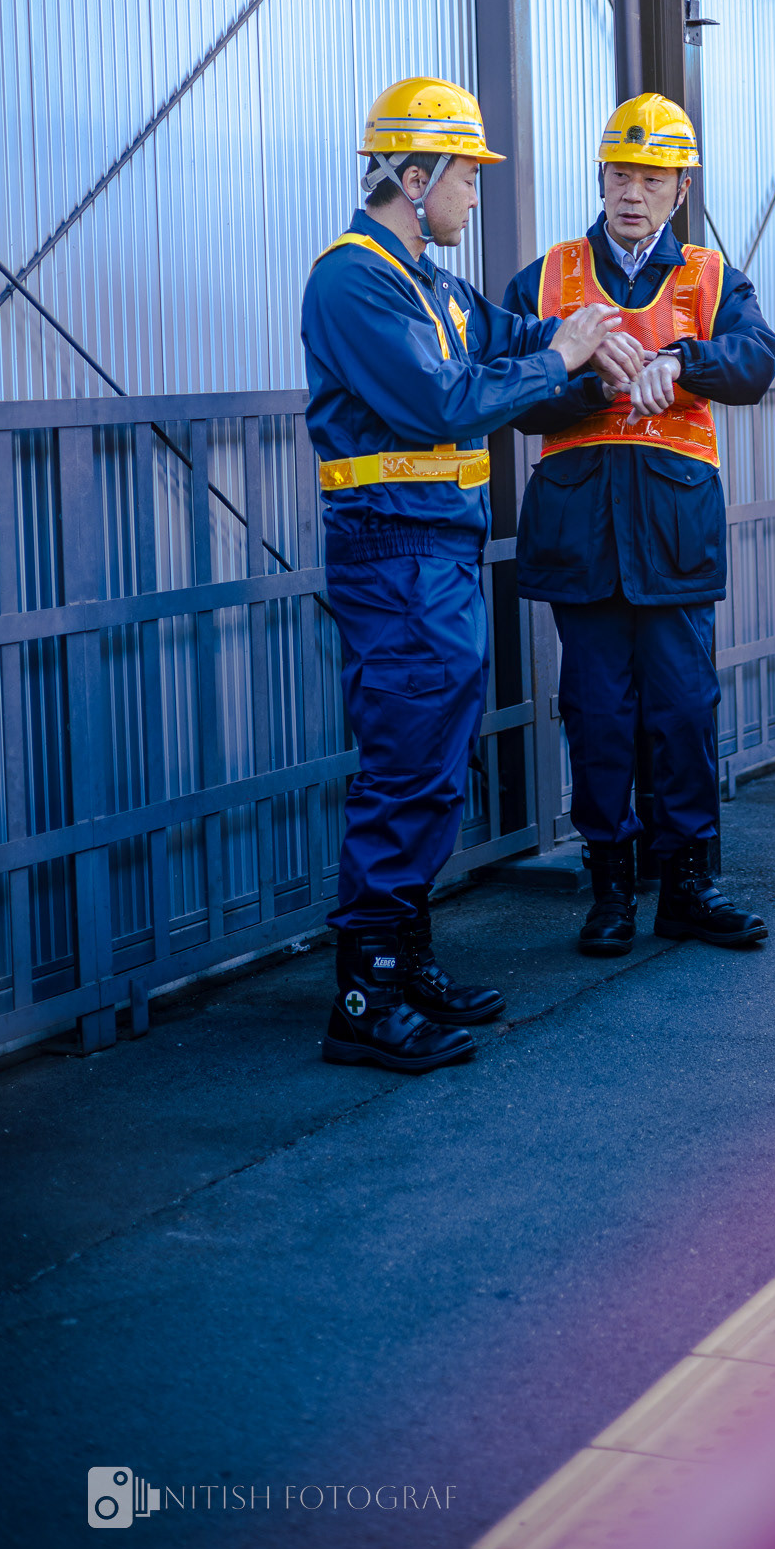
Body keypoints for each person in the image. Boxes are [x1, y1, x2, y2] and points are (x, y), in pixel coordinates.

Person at [302, 76, 624, 1070]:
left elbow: (511, 336)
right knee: (406, 763)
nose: (476, 194)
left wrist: (592, 335)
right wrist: (562, 356)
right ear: (415, 173)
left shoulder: (430, 285)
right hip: (393, 553)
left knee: (436, 767)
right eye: (467, 176)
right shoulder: (352, 280)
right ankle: (364, 992)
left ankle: (405, 959)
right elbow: (441, 401)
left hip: (437, 553)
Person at [503, 93, 775, 956]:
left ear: (679, 187)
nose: (633, 193)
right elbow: (510, 388)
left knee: (682, 708)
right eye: (621, 174)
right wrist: (586, 379)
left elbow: (756, 359)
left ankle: (689, 884)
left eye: (651, 179)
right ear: (601, 175)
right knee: (595, 713)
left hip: (669, 530)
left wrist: (680, 362)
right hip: (581, 529)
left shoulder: (710, 276)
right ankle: (610, 888)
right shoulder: (545, 278)